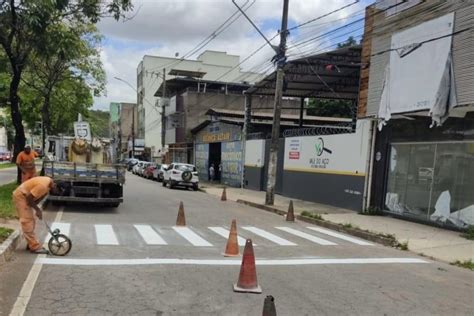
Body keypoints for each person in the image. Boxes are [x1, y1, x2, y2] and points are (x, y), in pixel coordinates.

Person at [12, 176, 59, 254]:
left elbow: (36, 197)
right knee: (27, 221)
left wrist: (37, 209)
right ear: (55, 186)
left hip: (25, 196)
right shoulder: (43, 185)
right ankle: (34, 247)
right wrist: (37, 210)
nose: (56, 193)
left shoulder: (48, 183)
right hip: (21, 196)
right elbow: (29, 197)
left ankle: (30, 243)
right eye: (57, 191)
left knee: (32, 220)